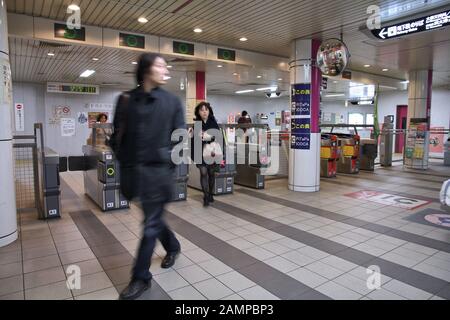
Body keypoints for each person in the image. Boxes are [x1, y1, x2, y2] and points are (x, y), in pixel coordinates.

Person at [110, 53, 185, 300]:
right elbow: (116, 138)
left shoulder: (172, 102)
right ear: (146, 70)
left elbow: (180, 139)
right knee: (153, 219)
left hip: (159, 173)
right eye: (160, 65)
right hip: (134, 174)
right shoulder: (126, 100)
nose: (165, 69)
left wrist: (167, 166)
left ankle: (140, 277)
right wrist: (125, 163)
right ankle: (173, 246)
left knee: (150, 223)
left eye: (166, 65)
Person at [192, 102, 220, 207]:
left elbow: (217, 135)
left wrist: (208, 136)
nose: (204, 112)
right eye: (202, 110)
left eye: (206, 110)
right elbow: (194, 140)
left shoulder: (213, 122)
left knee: (211, 173)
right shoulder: (197, 124)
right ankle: (206, 196)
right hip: (200, 152)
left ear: (209, 111)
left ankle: (211, 193)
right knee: (203, 173)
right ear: (198, 112)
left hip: (212, 152)